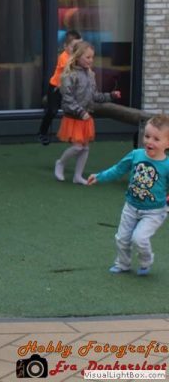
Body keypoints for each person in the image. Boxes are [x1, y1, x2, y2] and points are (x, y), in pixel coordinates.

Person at [87, 114, 169, 275]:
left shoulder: (167, 165)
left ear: (167, 143)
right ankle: (123, 264)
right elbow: (118, 169)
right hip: (131, 207)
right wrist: (100, 176)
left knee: (139, 238)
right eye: (147, 136)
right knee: (122, 238)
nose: (149, 142)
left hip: (154, 212)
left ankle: (146, 262)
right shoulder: (136, 155)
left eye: (156, 139)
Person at [54, 41, 120, 184]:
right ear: (77, 57)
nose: (91, 60)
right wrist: (80, 112)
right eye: (88, 57)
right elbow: (67, 99)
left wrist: (110, 96)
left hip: (86, 116)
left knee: (85, 148)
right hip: (74, 117)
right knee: (77, 146)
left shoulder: (90, 74)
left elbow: (94, 95)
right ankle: (60, 163)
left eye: (92, 57)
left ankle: (77, 176)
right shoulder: (69, 75)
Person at [37, 30, 82, 145]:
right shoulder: (64, 57)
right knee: (53, 111)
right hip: (56, 87)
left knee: (74, 110)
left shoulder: (78, 58)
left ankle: (73, 135)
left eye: (79, 47)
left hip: (69, 89)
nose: (76, 50)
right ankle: (42, 133)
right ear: (65, 47)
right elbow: (70, 71)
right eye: (74, 47)